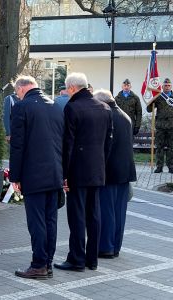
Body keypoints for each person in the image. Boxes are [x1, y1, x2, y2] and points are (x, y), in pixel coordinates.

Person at [54, 72, 113, 272]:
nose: (65, 91)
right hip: (97, 170)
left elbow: (68, 144)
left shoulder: (73, 107)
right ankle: (92, 260)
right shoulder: (104, 108)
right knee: (94, 215)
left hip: (77, 172)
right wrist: (101, 165)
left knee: (77, 216)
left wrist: (64, 174)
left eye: (65, 87)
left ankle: (76, 259)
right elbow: (108, 144)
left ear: (72, 88)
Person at [10, 75, 64, 279]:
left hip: (34, 175)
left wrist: (15, 176)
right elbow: (63, 143)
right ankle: (48, 264)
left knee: (37, 222)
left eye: (17, 93)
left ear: (21, 89)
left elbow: (17, 145)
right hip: (55, 174)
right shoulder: (55, 106)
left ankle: (39, 265)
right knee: (51, 220)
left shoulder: (22, 107)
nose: (17, 96)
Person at [93, 89, 137, 259]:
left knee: (106, 211)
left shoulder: (107, 115)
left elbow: (104, 146)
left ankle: (105, 247)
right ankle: (115, 246)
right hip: (124, 171)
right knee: (119, 212)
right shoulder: (125, 116)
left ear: (103, 102)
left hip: (109, 171)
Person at [146, 78, 173, 173]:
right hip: (160, 126)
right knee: (159, 147)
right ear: (162, 86)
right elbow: (149, 110)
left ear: (171, 86)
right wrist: (150, 102)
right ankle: (159, 166)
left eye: (169, 85)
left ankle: (171, 166)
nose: (167, 87)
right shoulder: (158, 96)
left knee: (171, 147)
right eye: (165, 85)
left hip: (171, 126)